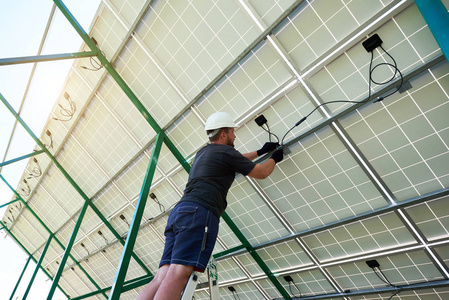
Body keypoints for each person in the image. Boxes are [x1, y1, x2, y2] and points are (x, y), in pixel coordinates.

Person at [137, 112, 284, 300]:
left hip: (180, 213)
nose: (235, 135)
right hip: (200, 213)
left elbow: (233, 160)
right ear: (223, 134)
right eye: (232, 131)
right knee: (178, 274)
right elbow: (262, 172)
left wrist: (260, 152)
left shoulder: (204, 152)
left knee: (162, 275)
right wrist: (275, 158)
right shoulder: (227, 152)